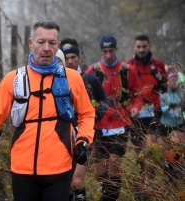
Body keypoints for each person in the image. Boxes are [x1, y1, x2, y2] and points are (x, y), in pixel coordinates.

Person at [0, 19, 95, 201]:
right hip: (22, 170)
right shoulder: (14, 79)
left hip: (60, 169)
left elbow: (87, 114)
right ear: (31, 43)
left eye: (52, 43)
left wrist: (82, 141)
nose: (46, 48)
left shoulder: (72, 78)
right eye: (41, 42)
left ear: (58, 47)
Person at [86, 34, 142, 201]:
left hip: (120, 123)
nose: (108, 55)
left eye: (111, 51)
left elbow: (137, 95)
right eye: (105, 51)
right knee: (101, 171)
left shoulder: (127, 70)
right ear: (101, 52)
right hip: (99, 125)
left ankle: (110, 199)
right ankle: (109, 195)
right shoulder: (93, 71)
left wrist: (135, 108)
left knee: (115, 163)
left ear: (116, 50)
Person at [59, 38, 109, 201]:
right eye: (66, 58)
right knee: (63, 184)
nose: (70, 61)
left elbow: (105, 100)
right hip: (61, 137)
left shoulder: (90, 79)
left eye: (73, 57)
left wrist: (98, 114)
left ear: (78, 58)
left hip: (85, 135)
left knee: (77, 181)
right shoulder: (56, 79)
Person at [126, 34, 167, 185]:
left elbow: (165, 88)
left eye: (144, 46)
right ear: (134, 48)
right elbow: (125, 90)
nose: (141, 50)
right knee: (140, 151)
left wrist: (161, 81)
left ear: (149, 46)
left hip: (154, 111)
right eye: (139, 47)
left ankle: (150, 182)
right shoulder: (128, 66)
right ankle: (143, 181)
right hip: (135, 113)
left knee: (151, 147)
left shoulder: (158, 65)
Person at [159, 72, 185, 180]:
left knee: (176, 147)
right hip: (165, 124)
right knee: (164, 150)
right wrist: (169, 105)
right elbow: (162, 109)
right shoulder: (163, 94)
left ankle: (178, 170)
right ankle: (169, 172)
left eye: (175, 81)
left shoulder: (182, 93)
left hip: (178, 124)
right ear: (167, 82)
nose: (173, 83)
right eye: (171, 81)